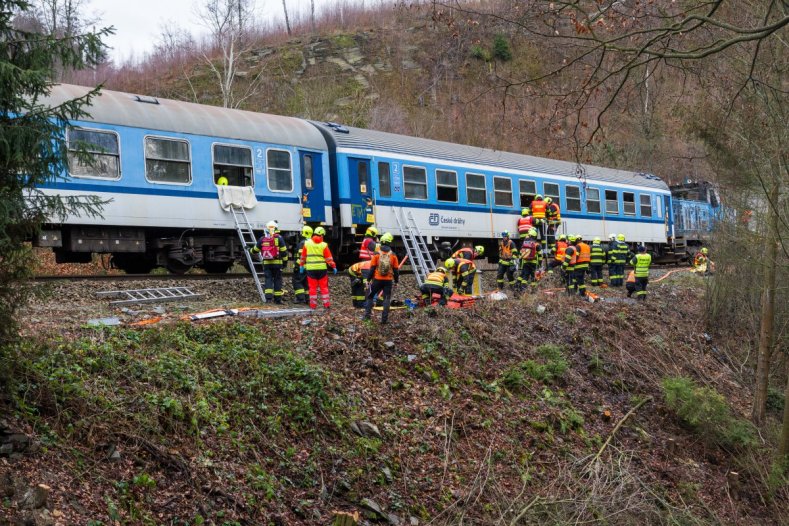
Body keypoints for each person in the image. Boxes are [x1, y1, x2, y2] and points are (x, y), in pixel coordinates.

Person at [363, 233, 400, 324]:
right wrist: (396, 281)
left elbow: (372, 269)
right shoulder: (393, 255)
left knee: (370, 296)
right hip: (388, 281)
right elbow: (396, 270)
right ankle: (384, 320)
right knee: (387, 299)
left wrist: (368, 280)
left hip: (377, 280)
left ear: (382, 242)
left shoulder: (376, 254)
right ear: (389, 242)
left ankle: (367, 316)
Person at [299, 226, 337, 310]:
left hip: (310, 269)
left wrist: (301, 266)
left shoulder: (307, 244)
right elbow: (329, 258)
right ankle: (326, 305)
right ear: (321, 235)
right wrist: (333, 266)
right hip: (322, 269)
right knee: (324, 288)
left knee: (312, 288)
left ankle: (313, 306)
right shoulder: (324, 245)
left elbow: (303, 257)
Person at [250, 220, 288, 303]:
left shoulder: (262, 238)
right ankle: (278, 300)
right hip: (277, 263)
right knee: (277, 280)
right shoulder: (279, 238)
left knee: (268, 279)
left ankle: (268, 299)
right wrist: (285, 262)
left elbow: (255, 250)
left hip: (267, 264)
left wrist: (249, 249)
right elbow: (284, 252)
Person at [292, 225, 313, 304]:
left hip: (302, 267)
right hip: (310, 268)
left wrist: (297, 266)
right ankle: (308, 299)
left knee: (297, 281)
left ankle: (300, 299)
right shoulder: (312, 243)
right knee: (306, 283)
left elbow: (302, 257)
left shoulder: (303, 243)